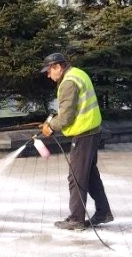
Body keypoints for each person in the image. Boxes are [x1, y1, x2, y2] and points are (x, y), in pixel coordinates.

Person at [39, 53, 114, 231]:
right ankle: (103, 212)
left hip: (83, 133)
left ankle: (76, 219)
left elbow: (65, 118)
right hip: (93, 130)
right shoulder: (78, 73)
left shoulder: (68, 82)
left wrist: (50, 126)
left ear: (58, 67)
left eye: (49, 71)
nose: (49, 76)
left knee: (76, 177)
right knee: (90, 175)